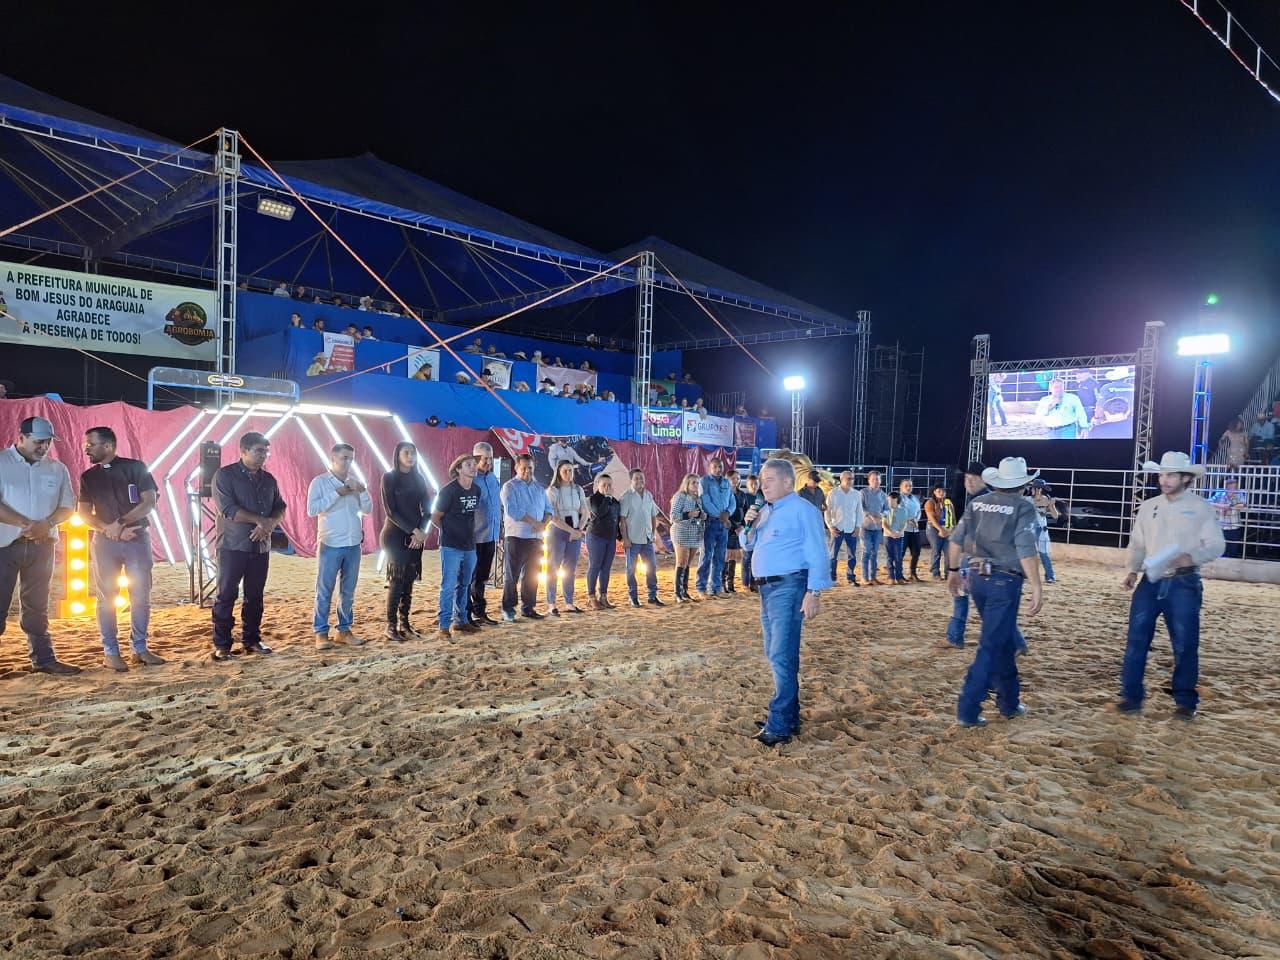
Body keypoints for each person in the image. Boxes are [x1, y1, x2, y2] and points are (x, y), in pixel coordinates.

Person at [1118, 451, 1226, 720]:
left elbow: (1216, 545)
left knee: (1184, 644)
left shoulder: (1201, 507)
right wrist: (1132, 570)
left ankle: (1185, 701)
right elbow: (1138, 543)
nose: (1164, 480)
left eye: (1171, 475)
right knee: (1136, 641)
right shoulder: (1149, 506)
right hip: (1151, 580)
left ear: (1185, 478)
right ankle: (1131, 696)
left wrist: (1193, 557)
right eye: (1162, 474)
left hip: (1184, 581)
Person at [946, 457, 1044, 727]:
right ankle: (968, 708)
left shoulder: (977, 503)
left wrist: (953, 571)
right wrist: (1037, 586)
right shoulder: (1023, 507)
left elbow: (956, 541)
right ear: (1022, 484)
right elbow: (1026, 549)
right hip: (1005, 580)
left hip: (977, 577)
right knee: (991, 645)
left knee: (1002, 642)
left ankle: (1009, 702)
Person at [743, 458, 832, 747]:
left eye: (768, 480)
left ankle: (779, 724)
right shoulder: (767, 511)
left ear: (786, 482)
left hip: (789, 587)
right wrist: (750, 524)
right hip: (767, 590)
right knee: (777, 654)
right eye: (761, 479)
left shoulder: (802, 510)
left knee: (781, 655)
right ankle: (790, 716)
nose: (762, 484)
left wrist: (814, 591)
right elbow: (747, 544)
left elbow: (818, 551)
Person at [78, 426, 164, 671]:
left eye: (90, 445)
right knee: (107, 598)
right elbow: (83, 513)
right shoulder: (88, 477)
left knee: (140, 596)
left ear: (108, 446)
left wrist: (121, 524)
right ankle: (110, 652)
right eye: (86, 445)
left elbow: (149, 502)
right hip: (105, 543)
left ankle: (140, 648)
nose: (86, 450)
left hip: (136, 538)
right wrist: (109, 529)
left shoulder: (136, 467)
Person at [0, 417, 80, 675]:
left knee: (37, 605)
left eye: (47, 442)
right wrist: (27, 523)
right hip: (4, 545)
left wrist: (47, 524)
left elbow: (68, 505)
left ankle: (44, 660)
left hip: (42, 546)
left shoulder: (57, 469)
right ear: (20, 437)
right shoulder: (1, 462)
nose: (44, 447)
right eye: (38, 442)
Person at [211, 432, 287, 661]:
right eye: (259, 450)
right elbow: (228, 509)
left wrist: (269, 524)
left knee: (255, 596)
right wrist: (259, 521)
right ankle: (222, 645)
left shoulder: (269, 479)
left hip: (261, 547)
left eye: (266, 450)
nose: (264, 455)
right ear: (243, 451)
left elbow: (280, 507)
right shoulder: (225, 475)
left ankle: (251, 640)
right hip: (233, 545)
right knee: (226, 595)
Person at [306, 443, 371, 650]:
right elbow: (312, 509)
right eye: (344, 458)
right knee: (324, 589)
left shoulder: (355, 483)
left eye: (351, 458)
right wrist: (338, 493)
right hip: (331, 543)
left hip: (353, 544)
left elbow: (368, 509)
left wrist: (362, 491)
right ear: (333, 458)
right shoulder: (320, 482)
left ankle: (344, 630)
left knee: (348, 591)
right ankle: (321, 632)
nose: (348, 462)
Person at [380, 441, 432, 641]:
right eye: (407, 453)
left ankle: (405, 623)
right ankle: (390, 625)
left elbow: (428, 510)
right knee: (396, 581)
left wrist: (421, 532)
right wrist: (414, 531)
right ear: (398, 455)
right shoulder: (389, 478)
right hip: (394, 535)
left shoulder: (419, 478)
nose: (411, 456)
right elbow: (391, 511)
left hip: (416, 536)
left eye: (413, 453)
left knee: (409, 580)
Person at [431, 454, 481, 640]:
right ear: (458, 469)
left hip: (469, 545)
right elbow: (435, 516)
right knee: (448, 585)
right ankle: (444, 625)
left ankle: (460, 620)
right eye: (468, 465)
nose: (473, 467)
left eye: (474, 465)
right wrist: (448, 532)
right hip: (451, 546)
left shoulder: (476, 490)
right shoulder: (448, 491)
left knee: (465, 584)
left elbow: (471, 516)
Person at [500, 453, 552, 621]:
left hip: (536, 539)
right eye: (523, 468)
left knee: (532, 575)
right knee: (511, 575)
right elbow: (513, 511)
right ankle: (508, 608)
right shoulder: (510, 487)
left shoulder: (539, 489)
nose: (527, 471)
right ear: (516, 468)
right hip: (516, 537)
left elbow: (549, 511)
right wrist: (535, 522)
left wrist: (543, 523)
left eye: (530, 467)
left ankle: (528, 607)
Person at [546, 461, 588, 615]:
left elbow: (585, 511)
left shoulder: (578, 490)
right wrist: (572, 530)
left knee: (570, 568)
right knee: (553, 567)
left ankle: (569, 602)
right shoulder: (552, 490)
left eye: (571, 470)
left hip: (575, 533)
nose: (569, 474)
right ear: (558, 472)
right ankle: (551, 603)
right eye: (565, 471)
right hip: (558, 532)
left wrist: (579, 529)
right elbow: (553, 516)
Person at [468, 442, 502, 626]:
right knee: (469, 577)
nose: (488, 462)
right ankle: (466, 614)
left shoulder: (492, 478)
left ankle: (479, 611)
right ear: (475, 458)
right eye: (484, 458)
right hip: (474, 537)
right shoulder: (470, 479)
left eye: (490, 458)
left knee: (482, 576)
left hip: (490, 536)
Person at [619, 468, 662, 607]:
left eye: (641, 478)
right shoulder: (626, 496)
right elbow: (622, 520)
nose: (639, 481)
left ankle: (652, 595)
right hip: (632, 540)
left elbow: (653, 516)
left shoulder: (649, 495)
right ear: (631, 480)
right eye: (636, 478)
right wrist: (625, 538)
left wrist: (653, 533)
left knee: (652, 568)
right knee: (631, 569)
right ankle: (633, 597)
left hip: (647, 539)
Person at [696, 457, 733, 599]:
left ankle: (716, 588)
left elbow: (732, 501)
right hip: (710, 523)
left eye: (720, 467)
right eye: (716, 467)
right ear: (710, 467)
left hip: (724, 524)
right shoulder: (704, 481)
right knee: (706, 556)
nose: (718, 469)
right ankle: (701, 588)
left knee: (719, 557)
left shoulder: (726, 482)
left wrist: (728, 513)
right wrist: (721, 515)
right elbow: (705, 502)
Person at [585, 474, 621, 609]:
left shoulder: (615, 502)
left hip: (610, 539)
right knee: (595, 566)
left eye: (609, 485)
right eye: (604, 485)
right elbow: (600, 513)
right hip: (596, 536)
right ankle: (591, 597)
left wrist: (620, 536)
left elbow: (617, 520)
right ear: (598, 486)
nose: (607, 487)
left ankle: (603, 596)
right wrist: (606, 498)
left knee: (606, 568)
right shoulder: (594, 499)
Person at [670, 474, 706, 604]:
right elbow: (673, 516)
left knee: (688, 563)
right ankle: (678, 593)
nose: (696, 485)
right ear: (687, 484)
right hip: (682, 531)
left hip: (695, 533)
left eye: (697, 483)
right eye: (693, 483)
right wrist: (689, 514)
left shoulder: (698, 499)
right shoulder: (680, 496)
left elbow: (699, 514)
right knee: (681, 562)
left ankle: (684, 591)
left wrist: (702, 516)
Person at [824, 470, 862, 586]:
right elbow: (827, 511)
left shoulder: (856, 494)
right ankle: (832, 578)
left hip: (851, 528)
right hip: (837, 528)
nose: (851, 481)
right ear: (841, 479)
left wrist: (858, 526)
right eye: (848, 478)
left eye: (852, 478)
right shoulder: (833, 493)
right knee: (833, 555)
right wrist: (830, 526)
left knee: (852, 555)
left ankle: (851, 578)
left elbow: (859, 512)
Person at [1028, 479, 1060, 582]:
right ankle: (1027, 575)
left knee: (1044, 554)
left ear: (1038, 489)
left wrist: (1051, 505)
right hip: (1029, 531)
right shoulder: (1027, 500)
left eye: (1033, 488)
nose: (1031, 489)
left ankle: (1050, 576)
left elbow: (1055, 516)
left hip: (1041, 530)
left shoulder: (1046, 500)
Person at [1208, 475, 1247, 558]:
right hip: (1222, 527)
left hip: (1234, 527)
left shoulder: (1239, 494)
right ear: (1226, 486)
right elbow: (1208, 502)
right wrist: (1221, 506)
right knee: (1221, 550)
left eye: (1234, 486)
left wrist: (1230, 505)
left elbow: (1243, 504)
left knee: (1233, 550)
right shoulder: (1219, 493)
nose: (1232, 488)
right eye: (1230, 486)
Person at [860, 471, 888, 585]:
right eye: (874, 479)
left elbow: (887, 510)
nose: (876, 481)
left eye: (878, 479)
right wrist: (871, 516)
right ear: (869, 480)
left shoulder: (883, 495)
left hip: (877, 528)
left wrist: (882, 516)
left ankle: (873, 577)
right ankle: (864, 577)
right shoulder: (863, 492)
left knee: (874, 553)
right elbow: (861, 508)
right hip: (865, 527)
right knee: (866, 551)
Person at [723, 470, 747, 593]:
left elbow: (745, 510)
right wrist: (734, 526)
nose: (736, 480)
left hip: (739, 527)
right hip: (728, 526)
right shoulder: (725, 494)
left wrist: (743, 525)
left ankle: (730, 583)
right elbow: (725, 511)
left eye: (738, 478)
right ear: (727, 479)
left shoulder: (742, 494)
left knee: (734, 556)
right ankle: (723, 583)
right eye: (733, 478)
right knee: (726, 555)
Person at [923, 484, 954, 579]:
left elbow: (953, 517)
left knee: (948, 552)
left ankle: (948, 573)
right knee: (936, 550)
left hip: (946, 527)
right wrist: (940, 529)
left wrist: (952, 529)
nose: (941, 493)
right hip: (933, 528)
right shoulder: (930, 503)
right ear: (934, 492)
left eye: (943, 491)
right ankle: (935, 572)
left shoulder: (948, 503)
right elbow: (931, 518)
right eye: (939, 491)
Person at [898, 478, 923, 581]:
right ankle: (898, 574)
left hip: (914, 529)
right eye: (906, 486)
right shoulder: (899, 498)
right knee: (901, 553)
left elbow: (919, 511)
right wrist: (908, 520)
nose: (908, 488)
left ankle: (913, 573)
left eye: (910, 486)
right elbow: (898, 511)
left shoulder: (915, 498)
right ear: (901, 487)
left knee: (916, 552)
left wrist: (916, 520)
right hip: (903, 529)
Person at [882, 491, 909, 584]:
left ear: (896, 500)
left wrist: (900, 532)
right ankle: (891, 577)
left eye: (891, 500)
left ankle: (899, 576)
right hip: (888, 536)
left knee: (898, 557)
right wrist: (890, 532)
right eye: (888, 500)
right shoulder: (886, 511)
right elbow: (884, 524)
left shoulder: (903, 510)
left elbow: (905, 523)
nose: (889, 502)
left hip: (899, 536)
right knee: (889, 556)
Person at [741, 474, 761, 592]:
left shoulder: (761, 497)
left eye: (756, 484)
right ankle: (745, 583)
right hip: (747, 529)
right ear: (747, 485)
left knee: (756, 558)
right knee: (746, 558)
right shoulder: (745, 497)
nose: (754, 486)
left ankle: (754, 583)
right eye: (751, 484)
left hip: (758, 530)